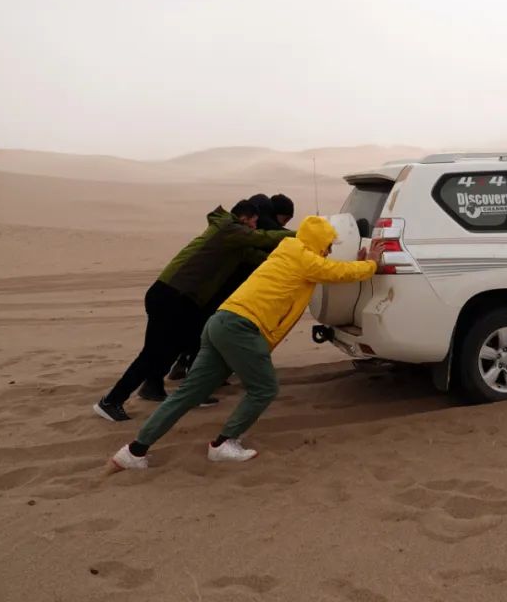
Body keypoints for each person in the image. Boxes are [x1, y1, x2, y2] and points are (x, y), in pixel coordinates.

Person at [108, 215, 382, 469]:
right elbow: (337, 272)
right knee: (264, 388)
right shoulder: (304, 258)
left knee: (187, 394)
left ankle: (134, 451)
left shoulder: (287, 252)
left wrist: (358, 263)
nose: (329, 251)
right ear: (318, 241)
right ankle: (223, 443)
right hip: (242, 328)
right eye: (328, 245)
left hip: (220, 322)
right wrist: (371, 263)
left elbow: (332, 269)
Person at [93, 200, 293, 422]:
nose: (255, 227)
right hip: (171, 295)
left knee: (179, 346)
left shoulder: (235, 243)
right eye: (254, 222)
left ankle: (159, 389)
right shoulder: (227, 229)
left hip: (178, 298)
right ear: (244, 218)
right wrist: (301, 234)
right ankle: (111, 401)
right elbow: (263, 238)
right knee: (153, 354)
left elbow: (262, 258)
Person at [167, 193, 296, 382]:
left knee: (202, 325)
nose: (282, 225)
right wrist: (302, 235)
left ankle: (186, 365)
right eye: (284, 219)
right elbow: (270, 235)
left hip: (216, 286)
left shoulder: (250, 223)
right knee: (211, 327)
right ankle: (199, 375)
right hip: (226, 287)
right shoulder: (256, 225)